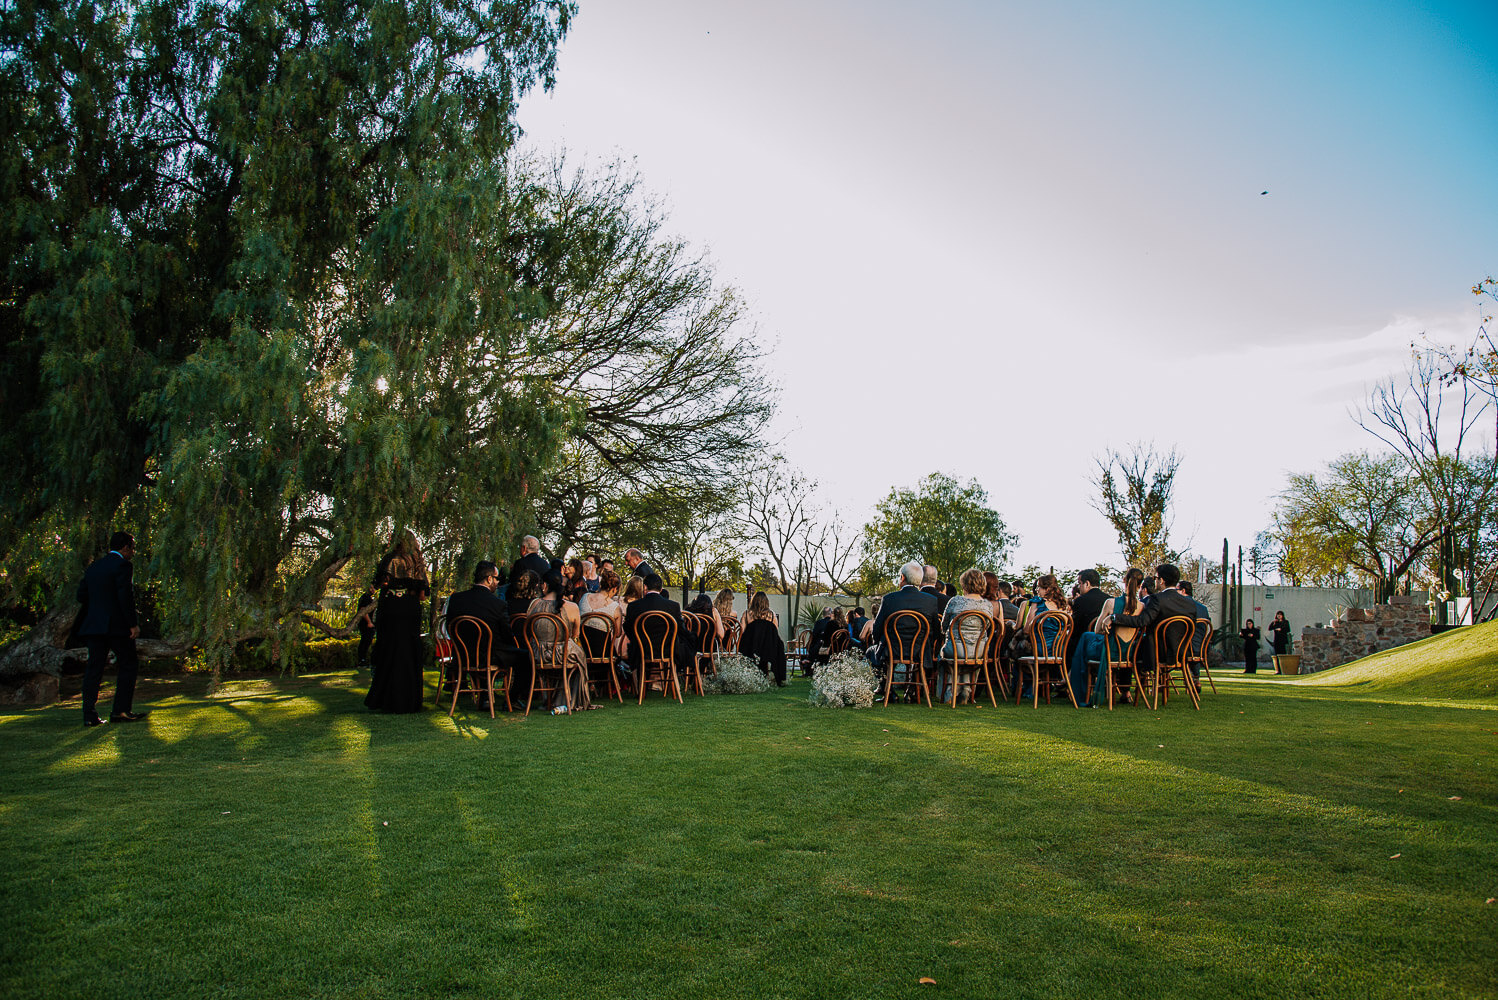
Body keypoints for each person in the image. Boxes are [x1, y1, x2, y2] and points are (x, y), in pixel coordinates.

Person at [76, 530, 146, 726]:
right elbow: (125, 596)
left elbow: (81, 596)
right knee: (128, 664)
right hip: (116, 626)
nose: (133, 552)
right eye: (133, 548)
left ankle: (89, 715)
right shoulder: (123, 565)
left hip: (94, 626)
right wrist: (132, 624)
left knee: (94, 670)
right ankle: (121, 711)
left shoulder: (94, 567)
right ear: (125, 547)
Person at [1098, 564, 1199, 684]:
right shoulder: (1190, 604)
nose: (1155, 581)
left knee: (1128, 647)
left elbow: (1141, 621)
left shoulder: (1157, 599)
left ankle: (1122, 686)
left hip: (1157, 653)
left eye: (1156, 578)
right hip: (1182, 653)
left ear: (1161, 581)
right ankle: (1126, 689)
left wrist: (1114, 617)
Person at [364, 533, 430, 714]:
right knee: (408, 652)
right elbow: (423, 595)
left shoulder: (389, 559)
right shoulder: (417, 564)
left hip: (391, 607)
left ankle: (387, 698)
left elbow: (380, 583)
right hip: (410, 609)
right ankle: (410, 700)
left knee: (389, 650)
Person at [445, 560, 526, 706]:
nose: (498, 583)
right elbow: (506, 634)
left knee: (486, 647)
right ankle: (512, 700)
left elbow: (449, 626)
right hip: (489, 656)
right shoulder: (498, 604)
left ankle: (485, 696)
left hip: (461, 655)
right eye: (497, 579)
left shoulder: (456, 599)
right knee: (526, 657)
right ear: (489, 579)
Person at [863, 562, 940, 696]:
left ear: (902, 578)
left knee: (871, 651)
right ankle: (911, 692)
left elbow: (877, 628)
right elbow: (935, 631)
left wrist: (878, 642)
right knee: (922, 651)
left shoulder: (889, 599)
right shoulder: (931, 601)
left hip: (892, 650)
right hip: (919, 651)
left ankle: (888, 690)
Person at [526, 571, 591, 710]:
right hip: (562, 654)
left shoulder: (534, 604)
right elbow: (575, 635)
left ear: (544, 586)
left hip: (538, 655)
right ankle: (570, 699)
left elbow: (529, 631)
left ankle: (551, 698)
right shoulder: (572, 607)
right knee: (579, 655)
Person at [621, 573, 692, 687]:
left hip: (641, 650)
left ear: (645, 587)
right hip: (667, 650)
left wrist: (638, 639)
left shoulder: (634, 606)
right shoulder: (673, 606)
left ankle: (638, 687)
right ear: (661, 589)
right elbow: (680, 629)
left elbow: (628, 628)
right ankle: (675, 684)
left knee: (633, 646)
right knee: (685, 644)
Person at [937, 569, 993, 703]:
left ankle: (950, 693)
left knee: (947, 656)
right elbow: (988, 627)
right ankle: (966, 691)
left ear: (964, 584)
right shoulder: (987, 605)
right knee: (969, 657)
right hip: (979, 650)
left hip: (956, 648)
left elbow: (944, 627)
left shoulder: (955, 601)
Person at [738, 590, 787, 685]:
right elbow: (775, 631)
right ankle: (779, 678)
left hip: (752, 647)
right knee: (779, 645)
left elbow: (742, 632)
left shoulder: (747, 614)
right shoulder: (772, 615)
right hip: (769, 648)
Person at [580, 569, 625, 658]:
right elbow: (618, 634)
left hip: (582, 649)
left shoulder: (585, 597)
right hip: (603, 653)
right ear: (615, 589)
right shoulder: (615, 607)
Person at [353, 583, 377, 670]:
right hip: (365, 623)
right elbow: (363, 610)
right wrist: (369, 622)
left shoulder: (369, 598)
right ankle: (361, 660)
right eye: (372, 588)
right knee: (365, 641)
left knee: (367, 641)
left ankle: (364, 660)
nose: (373, 589)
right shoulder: (365, 598)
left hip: (368, 623)